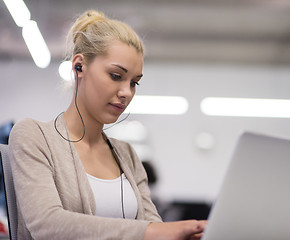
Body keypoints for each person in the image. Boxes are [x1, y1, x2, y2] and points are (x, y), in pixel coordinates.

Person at [8, 10, 206, 240]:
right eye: (115, 76)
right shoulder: (33, 136)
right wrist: (149, 232)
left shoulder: (127, 155)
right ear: (79, 66)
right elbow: (47, 224)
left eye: (134, 83)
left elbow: (155, 227)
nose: (126, 93)